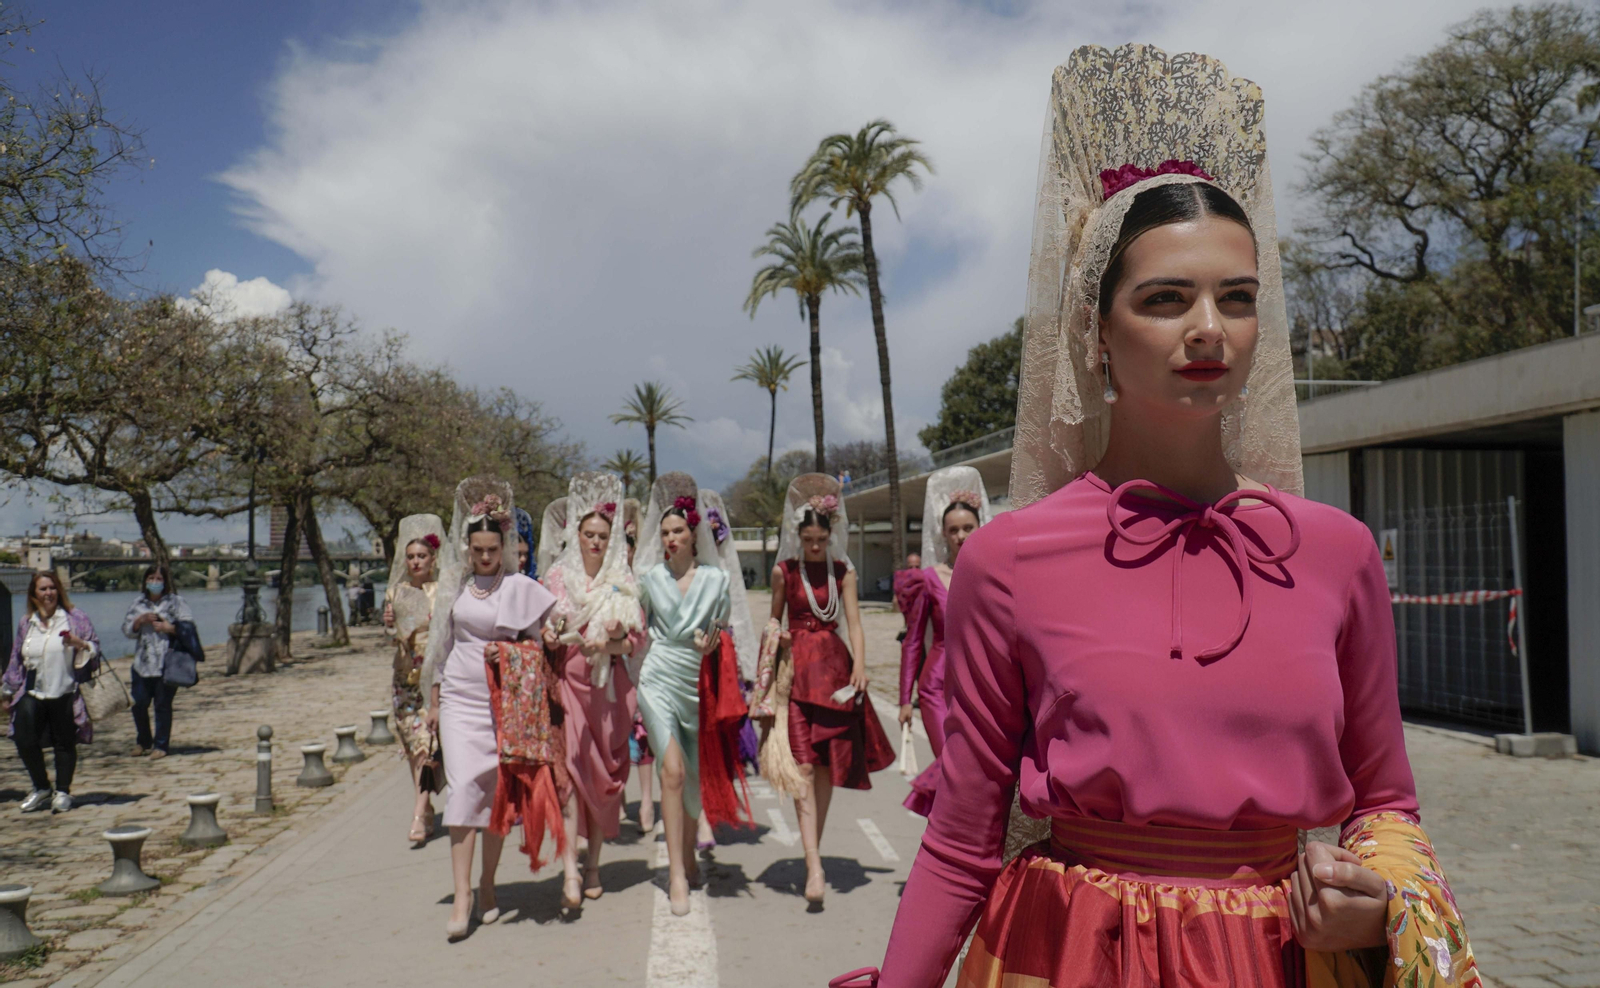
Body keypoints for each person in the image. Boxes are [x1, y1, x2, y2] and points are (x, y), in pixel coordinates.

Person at [854, 44, 1477, 988]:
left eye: (1236, 298)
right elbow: (965, 834)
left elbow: (1387, 803)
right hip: (1063, 957)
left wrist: (1376, 899)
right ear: (1096, 333)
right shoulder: (1008, 559)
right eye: (1164, 298)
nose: (1207, 329)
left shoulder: (1337, 555)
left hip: (1281, 965)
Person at [422, 477, 557, 940]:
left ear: (505, 546)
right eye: (477, 549)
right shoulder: (454, 587)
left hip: (504, 701)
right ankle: (461, 896)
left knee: (496, 795)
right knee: (462, 792)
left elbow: (545, 648)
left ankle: (487, 883)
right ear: (468, 547)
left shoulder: (520, 587)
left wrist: (514, 652)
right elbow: (439, 647)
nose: (484, 557)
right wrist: (434, 702)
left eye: (491, 550)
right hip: (460, 698)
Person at [764, 473, 893, 906]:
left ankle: (809, 851)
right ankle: (815, 863)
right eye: (809, 539)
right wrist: (776, 639)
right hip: (797, 673)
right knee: (801, 768)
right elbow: (773, 620)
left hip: (835, 673)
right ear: (798, 536)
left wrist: (860, 664)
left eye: (821, 538)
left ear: (830, 534)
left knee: (824, 770)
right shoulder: (784, 571)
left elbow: (854, 622)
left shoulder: (843, 571)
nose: (815, 546)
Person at [632, 472, 746, 917]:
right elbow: (636, 628)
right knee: (673, 772)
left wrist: (712, 646)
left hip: (698, 683)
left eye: (678, 530)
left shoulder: (716, 582)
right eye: (664, 533)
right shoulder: (648, 579)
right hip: (658, 677)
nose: (670, 538)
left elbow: (722, 635)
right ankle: (675, 874)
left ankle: (691, 855)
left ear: (694, 533)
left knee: (694, 780)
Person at [539, 472, 645, 909]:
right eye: (589, 534)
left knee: (601, 782)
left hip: (607, 692)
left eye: (603, 535)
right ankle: (569, 872)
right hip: (566, 684)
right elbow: (541, 628)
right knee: (566, 780)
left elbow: (637, 642)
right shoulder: (556, 577)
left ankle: (595, 864)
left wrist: (613, 640)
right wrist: (549, 634)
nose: (596, 542)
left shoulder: (622, 578)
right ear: (576, 534)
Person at [897, 467, 991, 818]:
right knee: (949, 768)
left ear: (980, 527)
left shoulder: (995, 576)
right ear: (944, 535)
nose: (961, 536)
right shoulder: (928, 579)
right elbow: (912, 642)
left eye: (968, 528)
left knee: (978, 774)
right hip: (936, 687)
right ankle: (943, 848)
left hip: (982, 687)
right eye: (954, 530)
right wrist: (905, 699)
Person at [3, 572, 100, 813]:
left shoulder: (75, 618)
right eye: (43, 589)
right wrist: (7, 691)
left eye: (52, 588)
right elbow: (16, 659)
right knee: (23, 738)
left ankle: (63, 791)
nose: (48, 594)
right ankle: (41, 787)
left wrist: (81, 644)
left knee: (64, 743)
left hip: (66, 690)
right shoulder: (27, 622)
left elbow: (95, 647)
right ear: (34, 595)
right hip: (34, 690)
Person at [382, 515, 444, 846]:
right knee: (411, 746)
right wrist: (390, 624)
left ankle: (420, 812)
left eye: (422, 556)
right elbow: (391, 634)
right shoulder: (396, 592)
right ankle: (426, 805)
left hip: (433, 677)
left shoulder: (443, 592)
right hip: (404, 677)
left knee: (426, 745)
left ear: (433, 559)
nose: (416, 561)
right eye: (411, 557)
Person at [122, 565, 194, 759]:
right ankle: (143, 740)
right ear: (145, 581)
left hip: (167, 662)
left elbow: (188, 627)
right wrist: (139, 621)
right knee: (139, 702)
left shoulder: (176, 602)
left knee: (162, 704)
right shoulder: (138, 603)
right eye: (151, 578)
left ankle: (161, 745)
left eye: (158, 579)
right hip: (142, 662)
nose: (154, 582)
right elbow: (127, 630)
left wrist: (169, 627)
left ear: (165, 582)